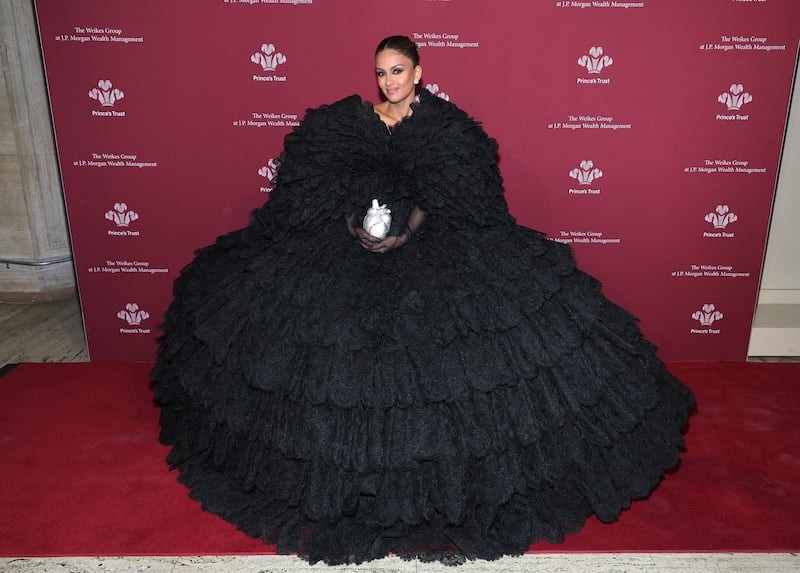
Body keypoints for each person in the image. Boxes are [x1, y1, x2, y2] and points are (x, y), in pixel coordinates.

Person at [152, 35, 695, 565]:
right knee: (327, 347)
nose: (388, 81)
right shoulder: (343, 124)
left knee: (452, 358)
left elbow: (461, 197)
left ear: (419, 72)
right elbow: (319, 188)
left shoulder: (448, 128)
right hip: (347, 244)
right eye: (380, 72)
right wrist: (351, 225)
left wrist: (406, 234)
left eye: (397, 70)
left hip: (434, 245)